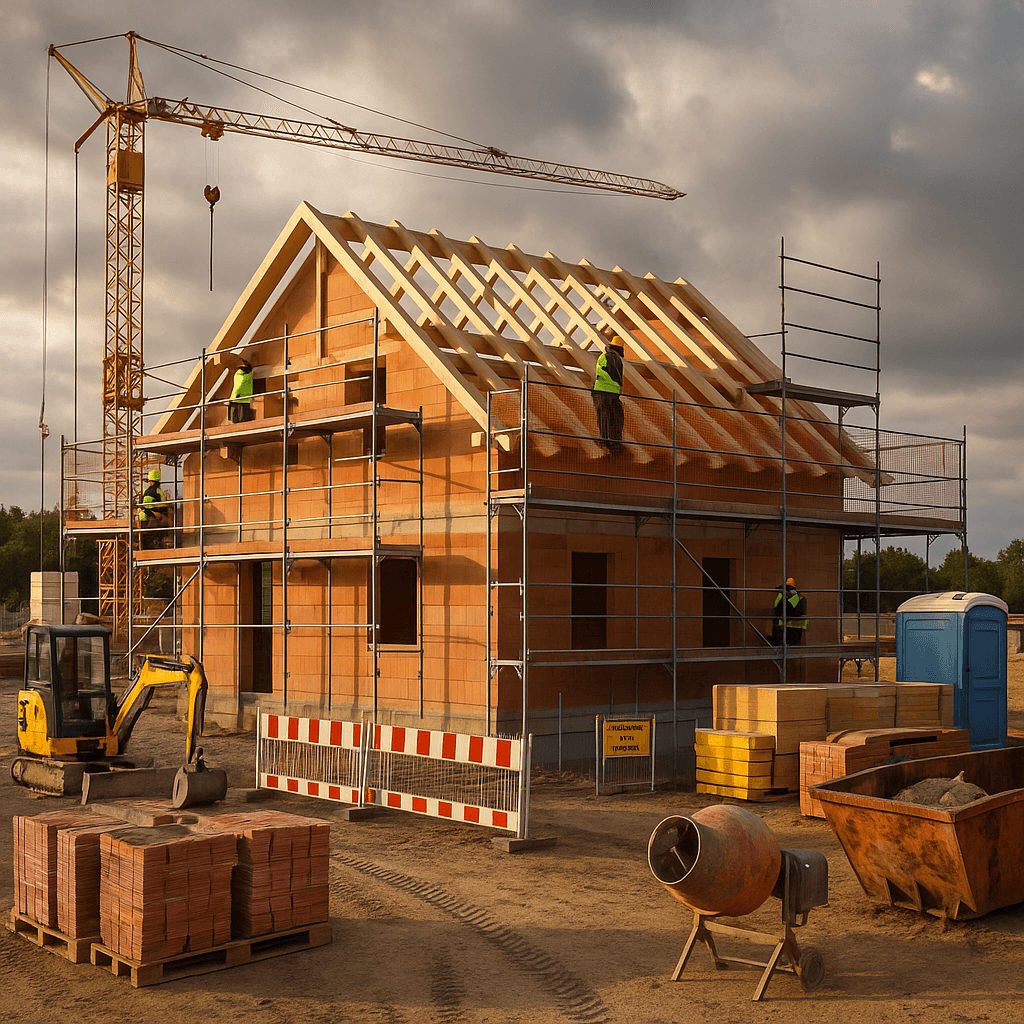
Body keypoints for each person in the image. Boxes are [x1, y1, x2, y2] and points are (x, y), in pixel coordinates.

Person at [592, 337, 624, 449]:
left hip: (604, 392)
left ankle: (608, 440)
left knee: (606, 416)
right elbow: (613, 375)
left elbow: (604, 373)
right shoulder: (614, 359)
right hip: (609, 393)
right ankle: (612, 441)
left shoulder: (608, 357)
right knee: (611, 417)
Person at [138, 468, 168, 549]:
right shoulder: (158, 491)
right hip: (154, 512)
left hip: (145, 512)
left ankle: (143, 536)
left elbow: (142, 502)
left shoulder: (145, 491)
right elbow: (163, 504)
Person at [772, 577, 808, 645]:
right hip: (789, 625)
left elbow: (788, 608)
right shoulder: (787, 597)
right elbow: (778, 608)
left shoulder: (796, 597)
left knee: (792, 646)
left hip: (794, 626)